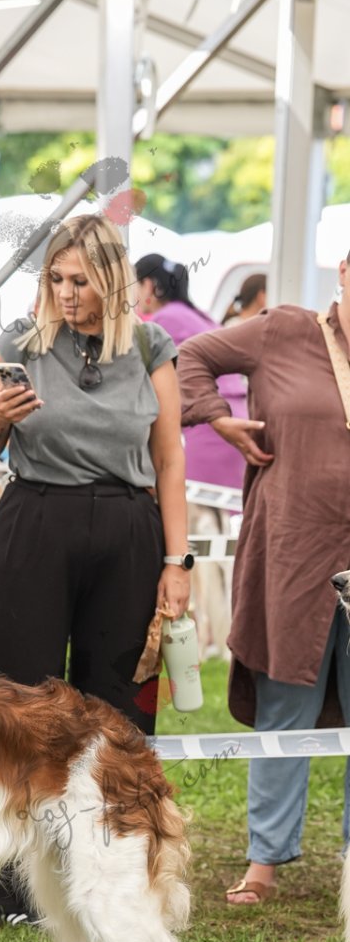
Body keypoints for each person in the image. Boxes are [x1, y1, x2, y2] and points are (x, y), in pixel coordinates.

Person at [0, 214, 191, 925]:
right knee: (14, 696)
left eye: (82, 281)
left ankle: (116, 858)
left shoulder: (150, 346)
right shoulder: (19, 343)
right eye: (56, 279)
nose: (67, 294)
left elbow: (170, 459)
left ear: (114, 284)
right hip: (35, 518)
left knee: (115, 703)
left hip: (127, 527)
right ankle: (6, 883)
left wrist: (177, 561)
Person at [177, 263, 350, 906]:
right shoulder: (285, 330)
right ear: (344, 272)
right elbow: (190, 357)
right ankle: (264, 863)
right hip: (293, 552)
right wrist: (218, 418)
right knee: (285, 701)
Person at [135, 253, 246, 660]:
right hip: (229, 430)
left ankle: (212, 638)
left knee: (203, 549)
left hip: (205, 435)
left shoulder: (160, 323)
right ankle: (221, 634)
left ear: (149, 286)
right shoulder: (197, 315)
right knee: (219, 548)